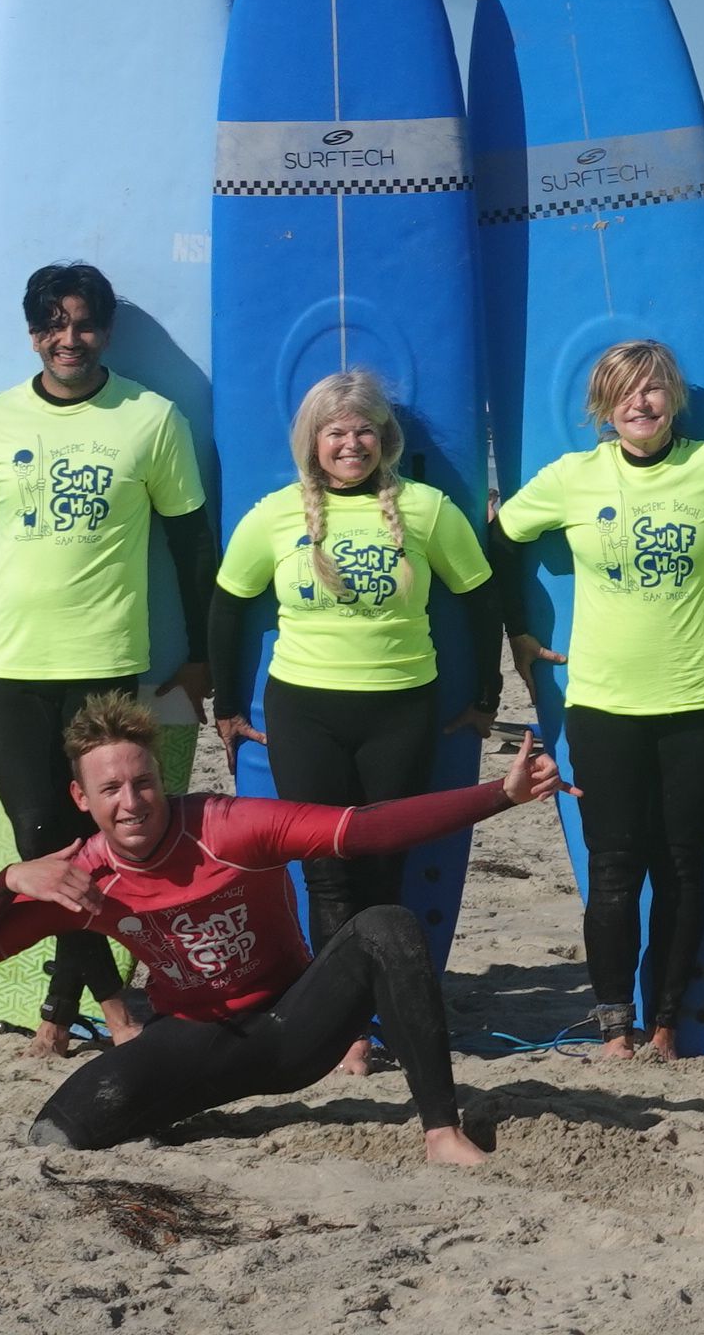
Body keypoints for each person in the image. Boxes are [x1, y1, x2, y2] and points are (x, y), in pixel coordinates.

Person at [0, 691, 555, 1164]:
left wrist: (498, 794)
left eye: (143, 782)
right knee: (57, 1134)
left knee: (386, 924)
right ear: (82, 799)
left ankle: (441, 1131)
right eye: (110, 788)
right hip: (196, 1045)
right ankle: (166, 1115)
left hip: (296, 1028)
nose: (132, 801)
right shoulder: (77, 877)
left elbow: (365, 828)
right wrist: (6, 881)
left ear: (161, 782)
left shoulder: (228, 826)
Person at [0, 261, 215, 1055]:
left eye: (83, 323)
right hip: (13, 664)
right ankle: (108, 1003)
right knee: (39, 840)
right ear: (32, 334)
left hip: (103, 660)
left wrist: (200, 658)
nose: (69, 338)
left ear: (105, 331)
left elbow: (192, 544)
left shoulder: (150, 418)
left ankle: (67, 1015)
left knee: (91, 842)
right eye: (53, 324)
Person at [496, 338, 704, 1060]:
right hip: (604, 702)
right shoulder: (573, 478)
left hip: (703, 697)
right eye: (626, 392)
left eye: (653, 389)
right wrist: (517, 631)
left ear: (672, 397)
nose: (641, 403)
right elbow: (496, 540)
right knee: (614, 867)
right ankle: (616, 1028)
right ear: (604, 406)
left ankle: (668, 1025)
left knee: (683, 864)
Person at [212, 372, 501, 967]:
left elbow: (479, 597)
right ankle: (346, 1029)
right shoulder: (274, 514)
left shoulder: (427, 509)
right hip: (305, 712)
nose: (350, 444)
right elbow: (227, 604)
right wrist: (227, 705)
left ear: (385, 436)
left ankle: (377, 1003)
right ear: (312, 442)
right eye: (334, 432)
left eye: (364, 430)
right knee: (326, 873)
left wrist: (487, 694)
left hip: (400, 710)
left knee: (384, 868)